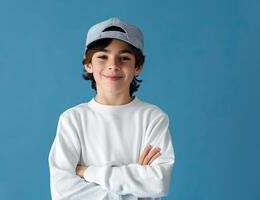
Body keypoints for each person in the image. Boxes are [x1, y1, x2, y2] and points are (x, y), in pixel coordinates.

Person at [48, 17, 175, 200]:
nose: (113, 65)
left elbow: (158, 183)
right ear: (88, 64)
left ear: (138, 67)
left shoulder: (153, 118)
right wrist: (135, 188)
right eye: (102, 56)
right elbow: (63, 192)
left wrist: (90, 172)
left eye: (124, 58)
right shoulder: (73, 120)